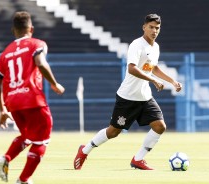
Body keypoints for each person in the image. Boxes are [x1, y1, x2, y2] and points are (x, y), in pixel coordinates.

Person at [73, 14, 182, 170]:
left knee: (160, 126)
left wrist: (171, 81)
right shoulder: (137, 45)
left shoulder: (155, 47)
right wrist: (153, 80)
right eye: (151, 27)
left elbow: (154, 67)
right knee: (113, 132)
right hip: (128, 97)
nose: (154, 30)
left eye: (157, 28)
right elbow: (132, 68)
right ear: (144, 27)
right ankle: (84, 150)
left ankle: (138, 159)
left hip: (144, 97)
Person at [0, 11, 65, 184]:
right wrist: (54, 83)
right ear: (31, 28)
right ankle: (24, 179)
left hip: (13, 102)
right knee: (42, 140)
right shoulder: (37, 44)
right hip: (32, 98)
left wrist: (2, 109)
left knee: (28, 136)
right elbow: (40, 63)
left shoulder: (5, 53)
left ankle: (6, 158)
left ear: (13, 30)